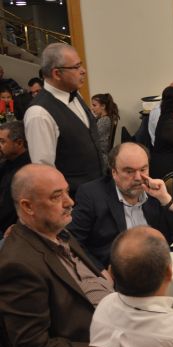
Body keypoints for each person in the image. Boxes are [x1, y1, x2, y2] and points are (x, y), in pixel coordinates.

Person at [0, 164, 113, 347]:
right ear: (28, 207)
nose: (69, 202)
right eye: (56, 196)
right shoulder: (18, 264)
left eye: (67, 192)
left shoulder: (55, 229)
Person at [68, 142, 173, 266]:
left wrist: (165, 199)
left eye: (143, 169)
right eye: (129, 171)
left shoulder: (155, 192)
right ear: (114, 172)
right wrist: (100, 271)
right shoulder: (92, 195)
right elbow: (71, 241)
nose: (138, 177)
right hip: (116, 271)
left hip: (158, 266)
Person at [24, 43, 102, 196]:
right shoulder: (39, 113)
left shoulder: (75, 94)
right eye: (76, 67)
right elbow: (44, 173)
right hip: (73, 199)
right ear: (57, 74)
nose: (83, 71)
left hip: (96, 191)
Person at [0, 121, 30, 236]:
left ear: (19, 143)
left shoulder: (27, 170)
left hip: (12, 231)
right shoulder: (6, 163)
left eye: (2, 141)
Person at [90, 93, 119, 162]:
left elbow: (92, 137)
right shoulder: (101, 118)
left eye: (94, 105)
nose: (92, 108)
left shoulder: (105, 120)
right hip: (98, 151)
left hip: (100, 154)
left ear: (103, 106)